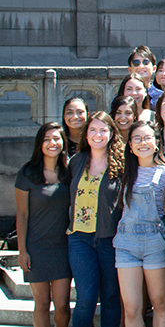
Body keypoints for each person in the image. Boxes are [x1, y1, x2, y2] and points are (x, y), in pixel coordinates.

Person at [114, 121, 165, 327]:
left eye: (147, 137)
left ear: (157, 142)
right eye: (137, 139)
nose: (142, 143)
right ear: (130, 145)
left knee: (160, 302)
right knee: (131, 308)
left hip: (155, 243)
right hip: (126, 243)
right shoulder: (124, 171)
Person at [68, 111, 125, 327]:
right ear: (86, 134)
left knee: (110, 296)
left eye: (103, 130)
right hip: (79, 239)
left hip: (109, 239)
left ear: (111, 133)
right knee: (86, 298)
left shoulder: (120, 164)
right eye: (93, 130)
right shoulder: (77, 161)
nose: (97, 134)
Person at [15, 122, 72, 327]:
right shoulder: (27, 173)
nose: (52, 143)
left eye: (56, 138)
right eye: (47, 139)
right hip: (36, 248)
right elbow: (21, 214)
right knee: (41, 304)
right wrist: (22, 251)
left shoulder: (69, 172)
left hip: (63, 248)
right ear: (40, 143)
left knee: (63, 305)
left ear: (63, 142)